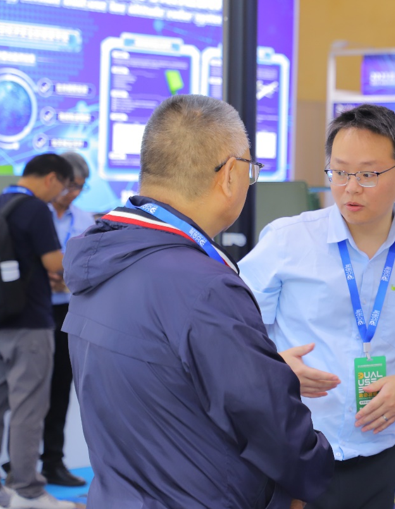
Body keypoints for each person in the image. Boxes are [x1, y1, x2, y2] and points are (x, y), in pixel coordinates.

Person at [63, 95, 333, 508]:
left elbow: (159, 380)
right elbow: (268, 422)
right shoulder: (204, 287)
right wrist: (313, 468)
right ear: (229, 174)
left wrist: (261, 367)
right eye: (251, 170)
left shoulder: (101, 258)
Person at [240, 104, 395, 509]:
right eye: (339, 171)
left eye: (367, 174)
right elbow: (229, 330)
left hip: (378, 451)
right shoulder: (287, 240)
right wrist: (275, 366)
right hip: (291, 446)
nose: (350, 187)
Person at [0, 153, 74, 509]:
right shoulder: (35, 209)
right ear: (51, 178)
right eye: (63, 187)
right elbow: (54, 262)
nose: (60, 195)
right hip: (30, 322)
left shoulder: (2, 202)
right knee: (29, 408)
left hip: (2, 319)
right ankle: (27, 490)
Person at [41, 152, 94, 488]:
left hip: (66, 311)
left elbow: (90, 266)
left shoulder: (86, 220)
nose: (72, 193)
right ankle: (18, 459)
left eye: (79, 187)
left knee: (61, 386)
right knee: (24, 388)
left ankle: (52, 460)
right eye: (70, 185)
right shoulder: (34, 213)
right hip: (30, 310)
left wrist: (68, 282)